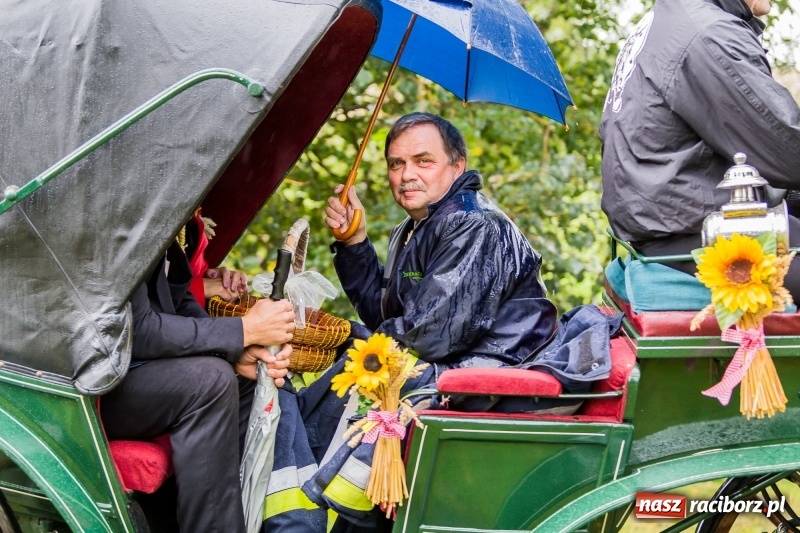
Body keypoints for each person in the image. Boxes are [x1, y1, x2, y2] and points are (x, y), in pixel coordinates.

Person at [324, 112, 558, 370]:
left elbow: (429, 336)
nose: (406, 175)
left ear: (457, 167)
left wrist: (344, 338)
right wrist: (355, 244)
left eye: (423, 161)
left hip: (491, 378)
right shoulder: (411, 228)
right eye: (396, 164)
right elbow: (382, 316)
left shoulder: (471, 222)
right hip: (441, 371)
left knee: (339, 382)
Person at [600, 0, 800, 299]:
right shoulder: (709, 32)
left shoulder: (670, 17)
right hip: (697, 233)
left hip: (669, 223)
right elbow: (789, 153)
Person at [100, 234, 295, 532]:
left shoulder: (157, 222)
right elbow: (137, 330)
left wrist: (237, 351)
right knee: (210, 380)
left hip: (140, 372)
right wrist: (243, 329)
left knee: (249, 376)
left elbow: (176, 302)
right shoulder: (121, 219)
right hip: (96, 384)